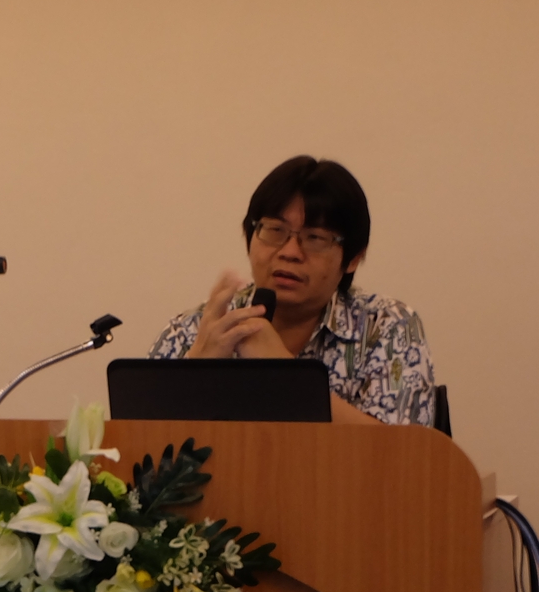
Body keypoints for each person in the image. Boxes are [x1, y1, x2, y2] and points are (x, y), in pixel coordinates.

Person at [149, 156, 436, 426]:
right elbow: (139, 449)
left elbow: (405, 454)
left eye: (315, 238)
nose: (290, 252)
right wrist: (194, 374)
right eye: (275, 230)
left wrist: (285, 374)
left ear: (353, 258)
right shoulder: (192, 329)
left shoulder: (386, 327)